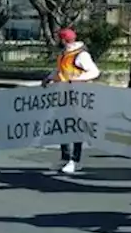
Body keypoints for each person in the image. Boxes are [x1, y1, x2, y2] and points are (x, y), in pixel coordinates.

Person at [43, 27, 100, 173]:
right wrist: (49, 78)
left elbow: (94, 72)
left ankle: (75, 160)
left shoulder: (81, 55)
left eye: (58, 38)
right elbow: (60, 70)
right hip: (63, 94)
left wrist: (76, 80)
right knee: (62, 126)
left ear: (63, 40)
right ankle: (65, 157)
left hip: (78, 95)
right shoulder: (64, 54)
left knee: (75, 128)